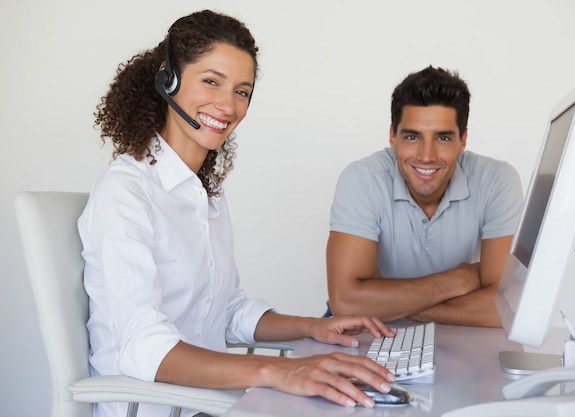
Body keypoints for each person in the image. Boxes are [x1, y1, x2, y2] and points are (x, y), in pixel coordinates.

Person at [78, 10, 396, 417]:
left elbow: (224, 309)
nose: (228, 106)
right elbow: (144, 347)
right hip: (159, 408)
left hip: (207, 406)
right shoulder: (125, 191)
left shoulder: (205, 193)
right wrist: (277, 371)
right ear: (167, 78)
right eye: (211, 81)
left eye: (242, 92)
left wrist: (310, 326)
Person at [325, 66, 523, 327]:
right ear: (392, 137)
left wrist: (385, 302)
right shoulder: (361, 179)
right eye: (412, 136)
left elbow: (507, 309)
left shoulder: (497, 180)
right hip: (366, 332)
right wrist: (457, 280)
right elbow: (347, 304)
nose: (426, 155)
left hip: (455, 333)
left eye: (442, 137)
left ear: (462, 141)